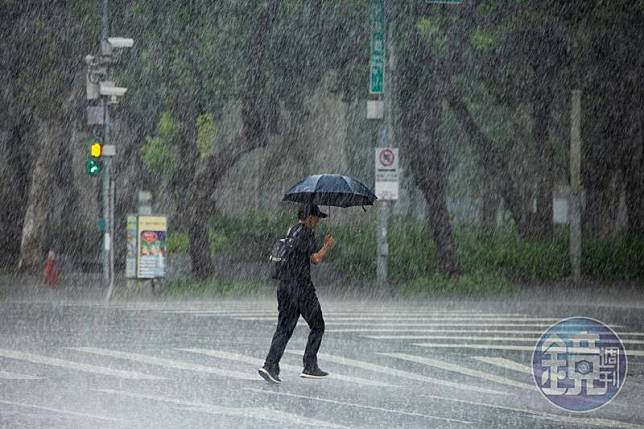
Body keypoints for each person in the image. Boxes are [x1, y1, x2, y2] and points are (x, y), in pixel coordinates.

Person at [259, 204, 335, 384]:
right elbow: (315, 258)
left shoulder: (291, 230)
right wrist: (326, 246)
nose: (317, 221)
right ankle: (309, 365)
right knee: (318, 325)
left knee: (284, 329)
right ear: (309, 217)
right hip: (301, 288)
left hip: (284, 287)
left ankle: (270, 365)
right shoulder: (306, 233)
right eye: (316, 218)